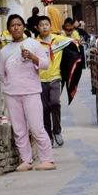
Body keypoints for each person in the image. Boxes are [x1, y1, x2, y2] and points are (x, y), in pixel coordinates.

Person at [0, 14, 55, 171]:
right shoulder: (4, 51)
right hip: (12, 93)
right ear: (8, 29)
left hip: (31, 92)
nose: (16, 27)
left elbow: (44, 64)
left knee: (36, 126)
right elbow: (1, 73)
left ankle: (47, 159)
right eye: (12, 25)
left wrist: (31, 56)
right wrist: (11, 84)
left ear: (24, 27)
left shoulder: (33, 44)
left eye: (18, 24)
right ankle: (26, 160)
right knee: (19, 129)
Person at [37, 15, 65, 146]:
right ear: (37, 28)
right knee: (44, 109)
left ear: (50, 26)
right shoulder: (34, 43)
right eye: (41, 25)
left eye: (46, 25)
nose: (44, 27)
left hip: (55, 77)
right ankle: (48, 135)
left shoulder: (58, 40)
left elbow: (73, 44)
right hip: (40, 79)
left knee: (55, 103)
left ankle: (57, 131)